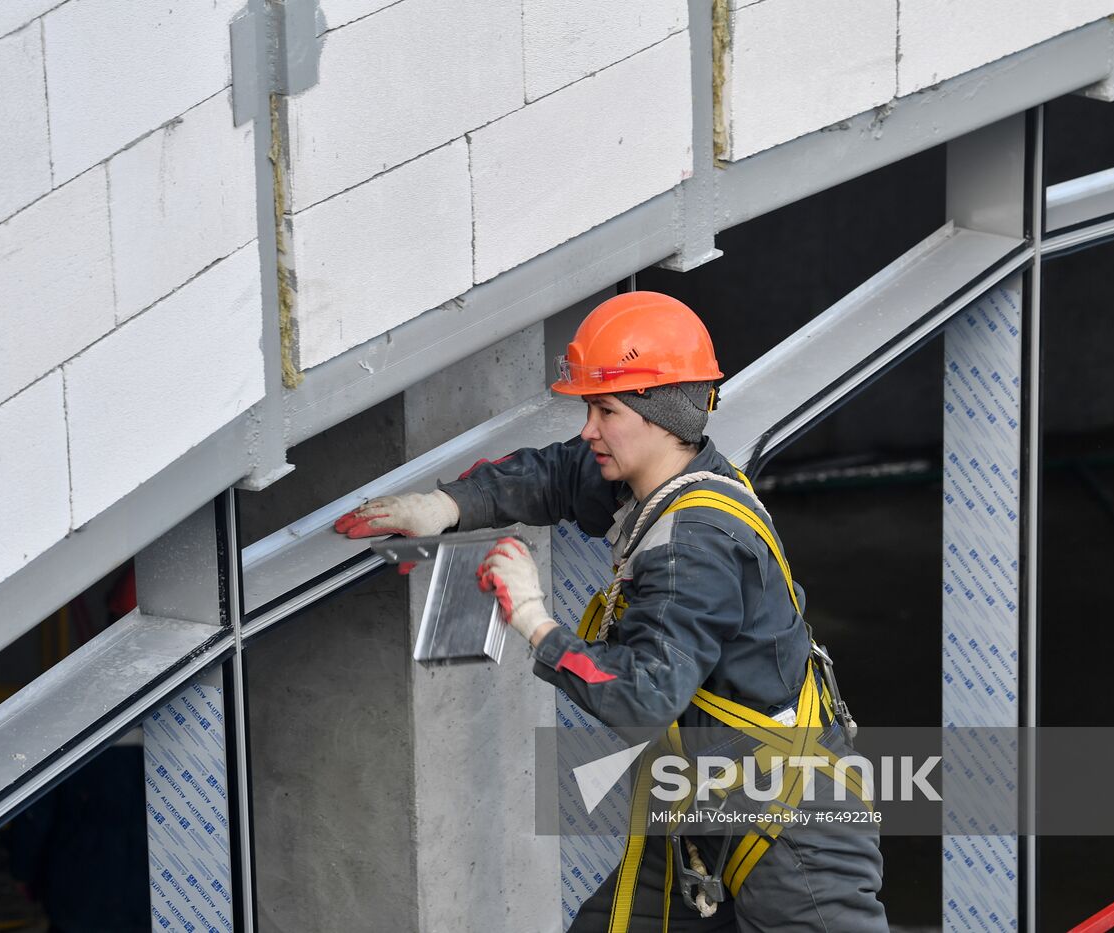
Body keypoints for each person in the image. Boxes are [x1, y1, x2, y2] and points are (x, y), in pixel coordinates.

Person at [335, 291, 888, 932]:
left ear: (663, 416)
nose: (588, 429)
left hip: (794, 833)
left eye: (605, 409)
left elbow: (644, 697)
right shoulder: (652, 479)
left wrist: (535, 621)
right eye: (588, 408)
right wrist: (445, 507)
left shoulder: (697, 545)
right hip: (709, 808)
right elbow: (557, 475)